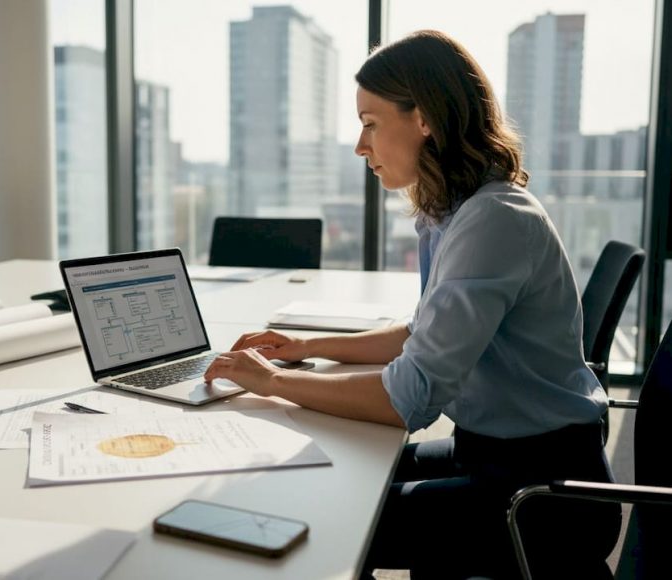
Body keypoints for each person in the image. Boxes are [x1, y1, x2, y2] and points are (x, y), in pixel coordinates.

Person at [204, 30, 621, 578]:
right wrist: (303, 347)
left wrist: (274, 383)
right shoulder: (450, 212)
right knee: (335, 472)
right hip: (492, 450)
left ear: (423, 118)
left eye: (370, 123)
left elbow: (411, 397)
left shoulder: (494, 219)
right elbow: (419, 334)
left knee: (337, 514)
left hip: (543, 490)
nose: (360, 145)